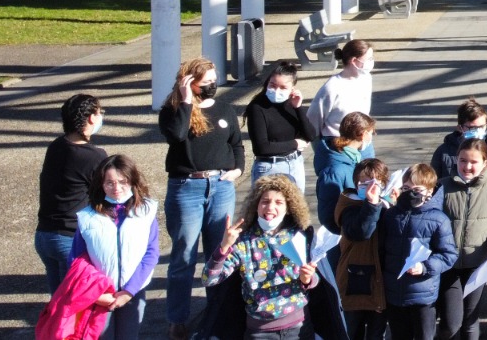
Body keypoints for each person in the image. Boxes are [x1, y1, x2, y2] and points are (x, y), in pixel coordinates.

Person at [160, 56, 245, 340]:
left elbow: (236, 144)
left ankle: (217, 315)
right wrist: (185, 101)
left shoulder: (225, 110)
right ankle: (178, 319)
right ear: (189, 83)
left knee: (218, 253)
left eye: (214, 80)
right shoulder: (173, 111)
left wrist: (237, 170)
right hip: (187, 187)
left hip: (220, 186)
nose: (212, 85)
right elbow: (176, 135)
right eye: (205, 82)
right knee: (183, 256)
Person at [204, 175, 319, 339]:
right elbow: (209, 279)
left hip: (298, 327)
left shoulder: (298, 236)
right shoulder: (243, 242)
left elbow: (314, 279)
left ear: (289, 207)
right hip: (260, 332)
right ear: (255, 206)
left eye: (279, 202)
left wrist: (307, 279)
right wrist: (223, 247)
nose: (270, 207)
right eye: (265, 201)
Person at [65, 154, 160, 340]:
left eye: (122, 181)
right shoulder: (87, 216)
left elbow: (151, 253)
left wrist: (129, 291)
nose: (116, 188)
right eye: (109, 182)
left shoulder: (146, 211)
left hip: (133, 292)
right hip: (100, 296)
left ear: (132, 181)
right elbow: (76, 259)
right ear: (101, 184)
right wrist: (96, 293)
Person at [35, 93, 108, 293]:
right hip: (69, 238)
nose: (101, 116)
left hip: (44, 235)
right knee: (75, 307)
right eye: (100, 112)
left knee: (59, 307)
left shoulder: (56, 146)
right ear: (92, 118)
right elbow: (106, 194)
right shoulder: (94, 156)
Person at [380, 164, 459, 340]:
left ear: (429, 191)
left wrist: (424, 267)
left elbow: (449, 255)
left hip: (423, 294)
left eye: (417, 189)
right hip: (394, 293)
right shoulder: (391, 215)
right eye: (406, 188)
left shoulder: (438, 219)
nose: (410, 193)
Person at [440, 139, 487, 340]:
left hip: (477, 265)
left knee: (470, 321)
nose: (467, 166)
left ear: (485, 163)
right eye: (462, 160)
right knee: (451, 323)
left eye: (474, 162)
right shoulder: (442, 187)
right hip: (448, 265)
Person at [335, 158, 393, 340]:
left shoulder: (385, 205)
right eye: (365, 183)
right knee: (352, 331)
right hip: (354, 280)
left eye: (376, 182)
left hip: (379, 282)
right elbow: (362, 231)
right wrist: (372, 204)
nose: (370, 187)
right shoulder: (349, 206)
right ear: (356, 184)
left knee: (377, 333)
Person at [245, 60, 317, 190]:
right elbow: (261, 147)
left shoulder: (291, 105)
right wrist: (295, 144)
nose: (276, 90)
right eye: (273, 85)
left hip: (295, 163)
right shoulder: (258, 108)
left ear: (292, 89)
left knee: (296, 208)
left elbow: (311, 135)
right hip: (270, 167)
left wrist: (298, 108)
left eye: (283, 87)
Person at [306, 39, 376, 147]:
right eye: (369, 58)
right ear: (354, 61)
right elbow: (314, 120)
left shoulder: (366, 78)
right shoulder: (331, 88)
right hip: (338, 143)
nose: (372, 62)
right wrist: (320, 149)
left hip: (363, 139)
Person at [315, 112, 377, 233]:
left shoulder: (357, 159)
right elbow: (328, 215)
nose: (371, 137)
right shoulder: (334, 172)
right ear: (363, 135)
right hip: (346, 235)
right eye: (371, 133)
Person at [432, 99, 487, 181]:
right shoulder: (443, 152)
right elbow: (433, 183)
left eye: (481, 127)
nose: (477, 131)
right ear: (460, 128)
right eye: (472, 128)